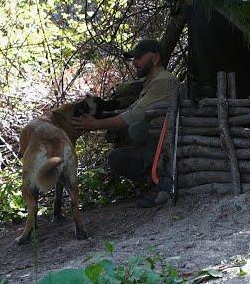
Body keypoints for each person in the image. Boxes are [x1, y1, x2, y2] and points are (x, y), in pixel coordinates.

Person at [71, 38, 179, 207]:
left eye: (139, 57)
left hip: (165, 145)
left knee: (136, 129)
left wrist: (95, 125)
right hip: (156, 143)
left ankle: (163, 182)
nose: (135, 62)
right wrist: (100, 117)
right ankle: (156, 182)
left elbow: (134, 116)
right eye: (134, 58)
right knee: (117, 157)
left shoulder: (163, 80)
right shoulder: (150, 82)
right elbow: (130, 110)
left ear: (155, 58)